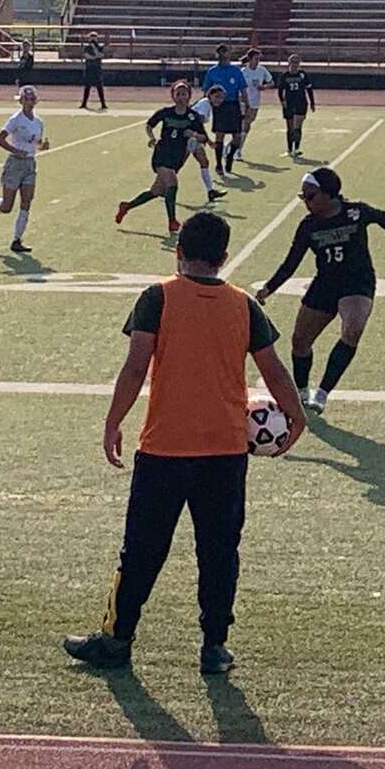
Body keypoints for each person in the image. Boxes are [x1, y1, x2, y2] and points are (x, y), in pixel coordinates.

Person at [63, 211, 305, 673]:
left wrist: (114, 420)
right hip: (225, 452)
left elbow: (136, 366)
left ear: (179, 253)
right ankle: (214, 646)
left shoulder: (157, 297)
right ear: (224, 257)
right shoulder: (244, 305)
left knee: (141, 549)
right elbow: (273, 368)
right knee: (218, 551)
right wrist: (295, 416)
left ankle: (117, 640)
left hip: (164, 450)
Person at [256, 168, 385, 416]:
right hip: (325, 284)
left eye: (310, 197)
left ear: (329, 194)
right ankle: (301, 392)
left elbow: (383, 218)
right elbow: (291, 262)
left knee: (352, 329)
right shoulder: (308, 226)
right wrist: (268, 288)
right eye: (303, 198)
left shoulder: (355, 212)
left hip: (357, 283)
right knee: (300, 342)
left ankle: (322, 393)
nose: (306, 203)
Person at [115, 80, 208, 235]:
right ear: (172, 96)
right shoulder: (165, 112)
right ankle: (172, 221)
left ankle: (127, 206)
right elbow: (149, 125)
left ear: (189, 96)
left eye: (184, 94)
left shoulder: (193, 116)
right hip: (162, 154)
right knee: (172, 183)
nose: (180, 97)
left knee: (156, 191)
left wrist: (194, 135)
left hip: (177, 157)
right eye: (177, 94)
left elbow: (204, 137)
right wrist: (151, 137)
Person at [0, 84, 49, 253]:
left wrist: (43, 146)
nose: (30, 102)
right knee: (7, 206)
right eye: (27, 99)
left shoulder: (38, 122)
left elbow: (36, 142)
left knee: (27, 201)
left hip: (30, 164)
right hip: (15, 164)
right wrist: (16, 151)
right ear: (21, 101)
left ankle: (17, 240)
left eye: (32, 99)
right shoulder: (16, 119)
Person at [201, 44, 247, 175]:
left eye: (225, 53)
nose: (223, 56)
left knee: (237, 137)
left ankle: (230, 155)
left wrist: (247, 105)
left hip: (233, 104)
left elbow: (242, 89)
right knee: (219, 135)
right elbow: (206, 90)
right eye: (221, 53)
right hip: (219, 106)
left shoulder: (235, 70)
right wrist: (206, 105)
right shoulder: (212, 71)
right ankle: (219, 164)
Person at [189, 90, 229, 204]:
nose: (219, 100)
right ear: (210, 95)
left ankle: (210, 191)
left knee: (204, 162)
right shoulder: (205, 104)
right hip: (189, 136)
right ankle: (164, 184)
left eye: (221, 98)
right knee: (178, 163)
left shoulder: (208, 105)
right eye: (216, 96)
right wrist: (208, 140)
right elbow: (198, 123)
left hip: (194, 136)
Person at [277, 53, 316, 157]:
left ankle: (296, 148)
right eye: (293, 62)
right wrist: (282, 101)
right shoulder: (285, 76)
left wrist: (312, 102)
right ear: (289, 63)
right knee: (290, 127)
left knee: (297, 127)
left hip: (301, 102)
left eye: (297, 62)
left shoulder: (303, 75)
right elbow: (280, 90)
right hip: (289, 103)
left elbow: (309, 89)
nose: (295, 64)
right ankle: (290, 149)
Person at [237, 48, 272, 160]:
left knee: (248, 125)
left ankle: (234, 146)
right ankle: (237, 150)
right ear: (250, 59)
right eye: (256, 59)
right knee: (245, 124)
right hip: (244, 101)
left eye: (259, 59)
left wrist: (264, 87)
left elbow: (271, 82)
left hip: (255, 101)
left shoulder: (262, 70)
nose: (258, 61)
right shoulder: (243, 72)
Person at [79, 31, 107, 110]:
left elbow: (100, 55)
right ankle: (84, 104)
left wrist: (94, 48)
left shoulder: (100, 47)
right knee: (87, 87)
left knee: (99, 87)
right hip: (89, 69)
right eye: (91, 36)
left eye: (94, 36)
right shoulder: (87, 47)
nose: (93, 38)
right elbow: (87, 56)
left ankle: (103, 104)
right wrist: (95, 57)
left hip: (97, 69)